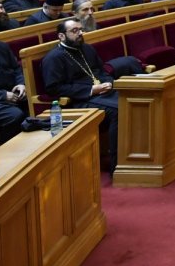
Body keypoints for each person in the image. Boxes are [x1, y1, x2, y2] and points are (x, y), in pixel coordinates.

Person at [42, 20, 118, 169]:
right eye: (75, 31)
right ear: (61, 36)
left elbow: (102, 71)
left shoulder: (87, 49)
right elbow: (54, 88)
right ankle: (118, 163)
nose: (80, 33)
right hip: (79, 100)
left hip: (103, 93)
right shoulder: (53, 58)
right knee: (119, 111)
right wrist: (91, 90)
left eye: (81, 30)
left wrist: (108, 82)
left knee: (133, 101)